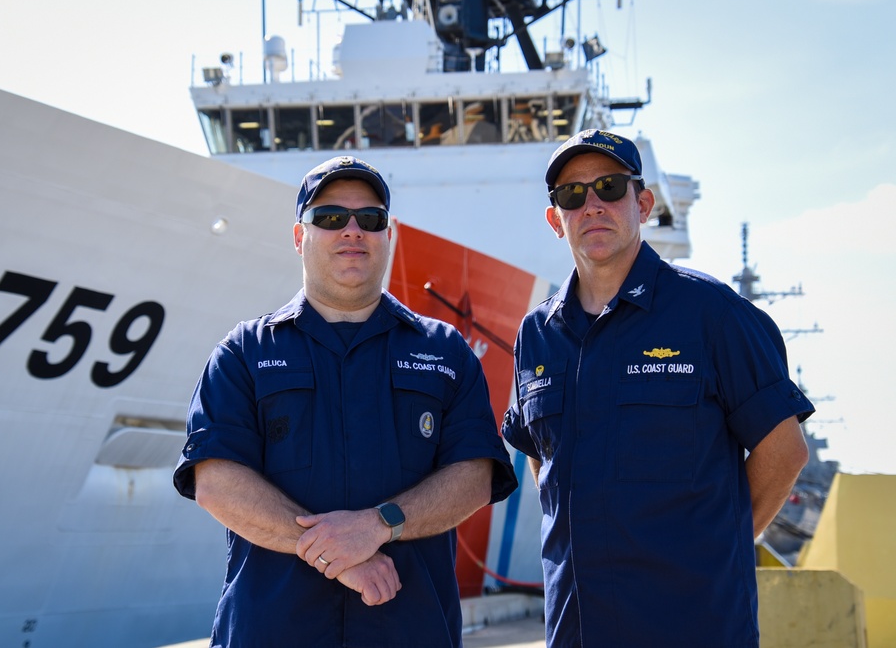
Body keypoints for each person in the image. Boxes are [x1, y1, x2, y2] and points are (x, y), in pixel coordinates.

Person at [173, 155, 518, 648]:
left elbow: (474, 478)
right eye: (331, 217)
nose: (352, 231)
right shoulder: (244, 352)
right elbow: (216, 482)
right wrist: (343, 552)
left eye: (370, 219)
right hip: (270, 634)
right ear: (299, 237)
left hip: (409, 631)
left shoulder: (445, 351)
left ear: (388, 234)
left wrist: (380, 526)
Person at [502, 129, 815, 647]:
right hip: (577, 629)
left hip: (693, 625)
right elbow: (544, 463)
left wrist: (717, 546)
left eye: (609, 187)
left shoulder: (713, 314)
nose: (592, 205)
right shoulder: (537, 336)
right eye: (573, 195)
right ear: (556, 219)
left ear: (642, 203)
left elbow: (784, 450)